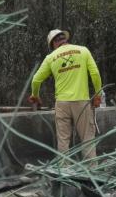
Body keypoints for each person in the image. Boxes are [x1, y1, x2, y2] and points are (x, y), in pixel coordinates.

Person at [29, 29, 103, 161]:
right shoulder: (83, 50)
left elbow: (36, 80)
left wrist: (35, 95)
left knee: (63, 141)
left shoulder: (51, 57)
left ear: (53, 45)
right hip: (82, 102)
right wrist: (97, 95)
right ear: (65, 39)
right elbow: (95, 74)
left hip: (62, 104)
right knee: (87, 139)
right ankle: (92, 172)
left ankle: (65, 174)